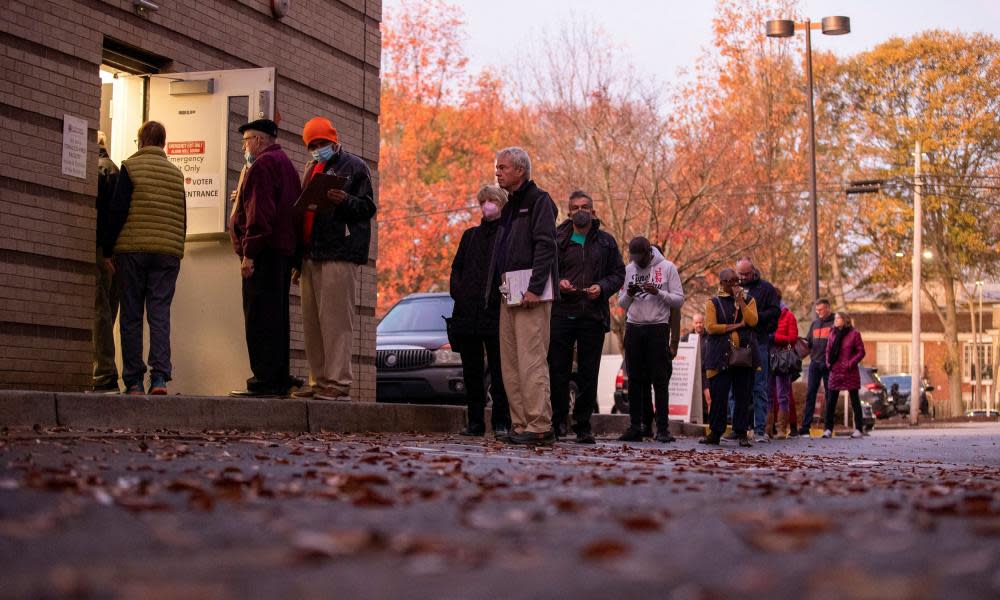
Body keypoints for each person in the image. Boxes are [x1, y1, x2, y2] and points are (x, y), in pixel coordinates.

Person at [290, 117, 377, 402]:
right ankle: (318, 380)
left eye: (322, 143)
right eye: (312, 145)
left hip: (339, 251)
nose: (317, 149)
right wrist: (298, 257)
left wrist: (345, 200)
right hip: (311, 253)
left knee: (336, 320)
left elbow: (367, 207)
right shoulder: (310, 168)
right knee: (313, 321)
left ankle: (338, 382)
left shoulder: (354, 167)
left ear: (333, 140)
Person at [102, 121, 185, 395]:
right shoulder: (176, 174)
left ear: (140, 141)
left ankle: (134, 381)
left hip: (133, 250)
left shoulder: (131, 167)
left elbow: (118, 211)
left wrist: (107, 249)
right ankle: (160, 378)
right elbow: (182, 217)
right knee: (160, 315)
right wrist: (176, 248)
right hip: (167, 252)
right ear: (163, 143)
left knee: (132, 315)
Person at [490, 147, 559, 445]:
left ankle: (540, 423)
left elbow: (546, 245)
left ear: (520, 170)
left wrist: (535, 285)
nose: (498, 172)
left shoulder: (539, 201)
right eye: (497, 167)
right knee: (511, 361)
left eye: (503, 167)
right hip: (509, 291)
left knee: (531, 359)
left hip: (531, 292)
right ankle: (521, 424)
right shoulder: (509, 205)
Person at [229, 119, 302, 398]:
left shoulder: (262, 166)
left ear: (258, 140)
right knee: (277, 317)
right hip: (282, 254)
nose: (244, 146)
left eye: (246, 140)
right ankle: (278, 376)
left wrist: (249, 253)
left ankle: (264, 379)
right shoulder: (286, 165)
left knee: (259, 317)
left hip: (264, 254)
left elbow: (260, 213)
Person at [548, 190, 625, 444]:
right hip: (561, 313)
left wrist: (602, 287)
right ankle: (558, 422)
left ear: (592, 211)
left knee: (589, 373)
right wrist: (559, 283)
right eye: (575, 207)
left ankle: (583, 425)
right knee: (558, 370)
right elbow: (545, 270)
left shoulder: (606, 242)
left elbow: (618, 273)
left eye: (585, 206)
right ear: (568, 212)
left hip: (592, 315)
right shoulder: (557, 238)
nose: (580, 210)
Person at [449, 185, 512, 437]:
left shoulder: (507, 236)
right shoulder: (470, 236)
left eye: (492, 200)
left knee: (499, 372)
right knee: (471, 372)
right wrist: (459, 292)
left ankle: (501, 421)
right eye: (483, 201)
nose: (487, 205)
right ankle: (475, 422)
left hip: (495, 314)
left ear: (502, 204)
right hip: (467, 314)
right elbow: (457, 268)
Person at [617, 237, 684, 443]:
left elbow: (679, 299)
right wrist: (629, 294)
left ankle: (662, 429)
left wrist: (658, 292)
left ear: (649, 252)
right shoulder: (629, 270)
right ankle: (636, 426)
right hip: (634, 327)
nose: (638, 262)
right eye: (634, 258)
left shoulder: (667, 268)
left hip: (657, 328)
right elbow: (621, 303)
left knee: (659, 380)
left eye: (641, 258)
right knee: (635, 380)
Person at [699, 268, 758, 447]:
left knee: (743, 396)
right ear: (721, 283)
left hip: (744, 356)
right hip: (719, 356)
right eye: (730, 282)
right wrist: (736, 326)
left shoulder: (749, 300)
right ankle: (715, 433)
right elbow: (710, 327)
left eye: (737, 281)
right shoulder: (713, 302)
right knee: (719, 396)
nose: (734, 285)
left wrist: (741, 302)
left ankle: (741, 432)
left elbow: (753, 321)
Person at [735, 258, 780, 443]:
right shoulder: (733, 287)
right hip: (738, 342)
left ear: (754, 270)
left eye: (746, 274)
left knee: (759, 387)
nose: (744, 277)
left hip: (759, 341)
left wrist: (755, 318)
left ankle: (760, 429)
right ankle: (739, 428)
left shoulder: (766, 288)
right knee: (737, 388)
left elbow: (775, 312)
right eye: (740, 274)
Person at [90, 132, 120, 393]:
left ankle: (104, 371)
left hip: (101, 249)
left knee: (100, 309)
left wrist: (103, 250)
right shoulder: (116, 170)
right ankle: (105, 368)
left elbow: (101, 216)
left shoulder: (98, 171)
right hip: (116, 250)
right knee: (109, 307)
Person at [823, 312, 867, 439]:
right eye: (835, 318)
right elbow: (828, 351)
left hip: (849, 370)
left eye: (838, 318)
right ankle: (828, 429)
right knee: (831, 401)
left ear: (845, 320)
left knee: (854, 400)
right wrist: (828, 364)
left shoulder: (854, 334)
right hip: (835, 370)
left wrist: (850, 363)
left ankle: (858, 428)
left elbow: (861, 351)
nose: (835, 320)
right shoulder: (832, 334)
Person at [799, 298, 835, 435]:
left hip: (828, 365)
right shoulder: (815, 324)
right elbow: (809, 342)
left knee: (829, 396)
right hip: (814, 363)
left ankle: (828, 427)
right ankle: (805, 427)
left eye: (820, 310)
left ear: (828, 308)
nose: (818, 312)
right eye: (817, 310)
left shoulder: (833, 324)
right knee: (810, 395)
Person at [767, 289, 799, 439]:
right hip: (767, 357)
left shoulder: (788, 315)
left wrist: (774, 337)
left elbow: (793, 338)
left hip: (782, 360)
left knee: (782, 395)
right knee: (767, 394)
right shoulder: (767, 314)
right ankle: (767, 429)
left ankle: (781, 429)